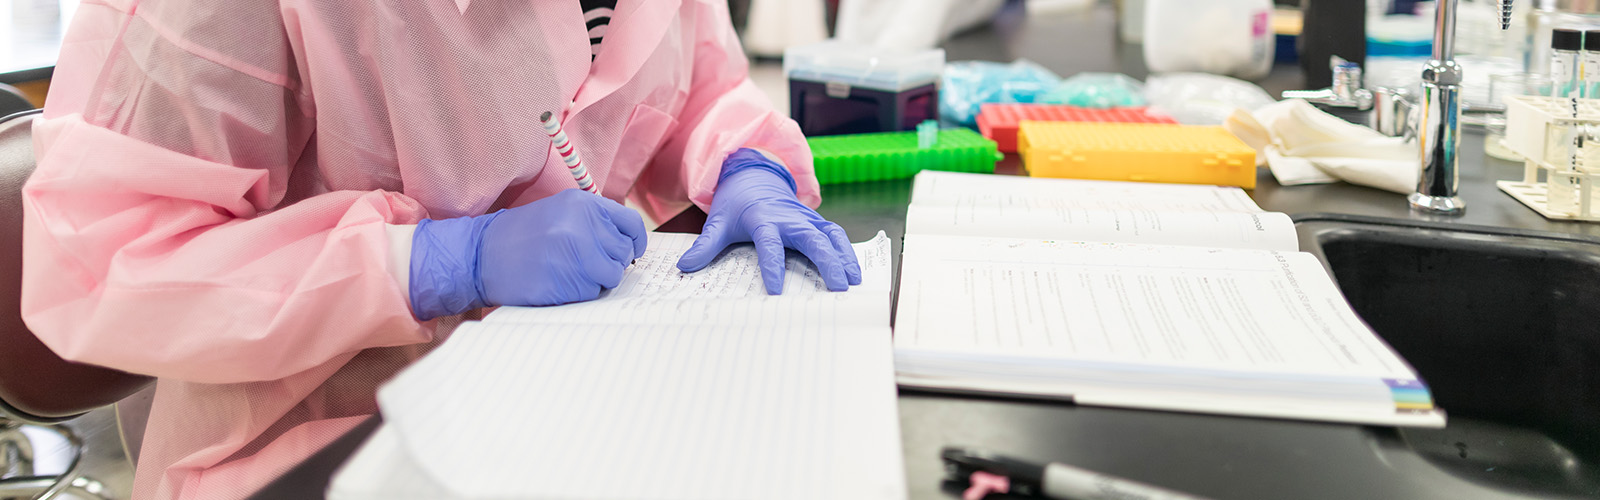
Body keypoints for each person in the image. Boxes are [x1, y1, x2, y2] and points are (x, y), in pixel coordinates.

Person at [19, 1, 860, 498]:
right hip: (317, 443)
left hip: (564, 396)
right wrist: (426, 263)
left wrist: (744, 161)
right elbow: (106, 261)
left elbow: (695, 81)